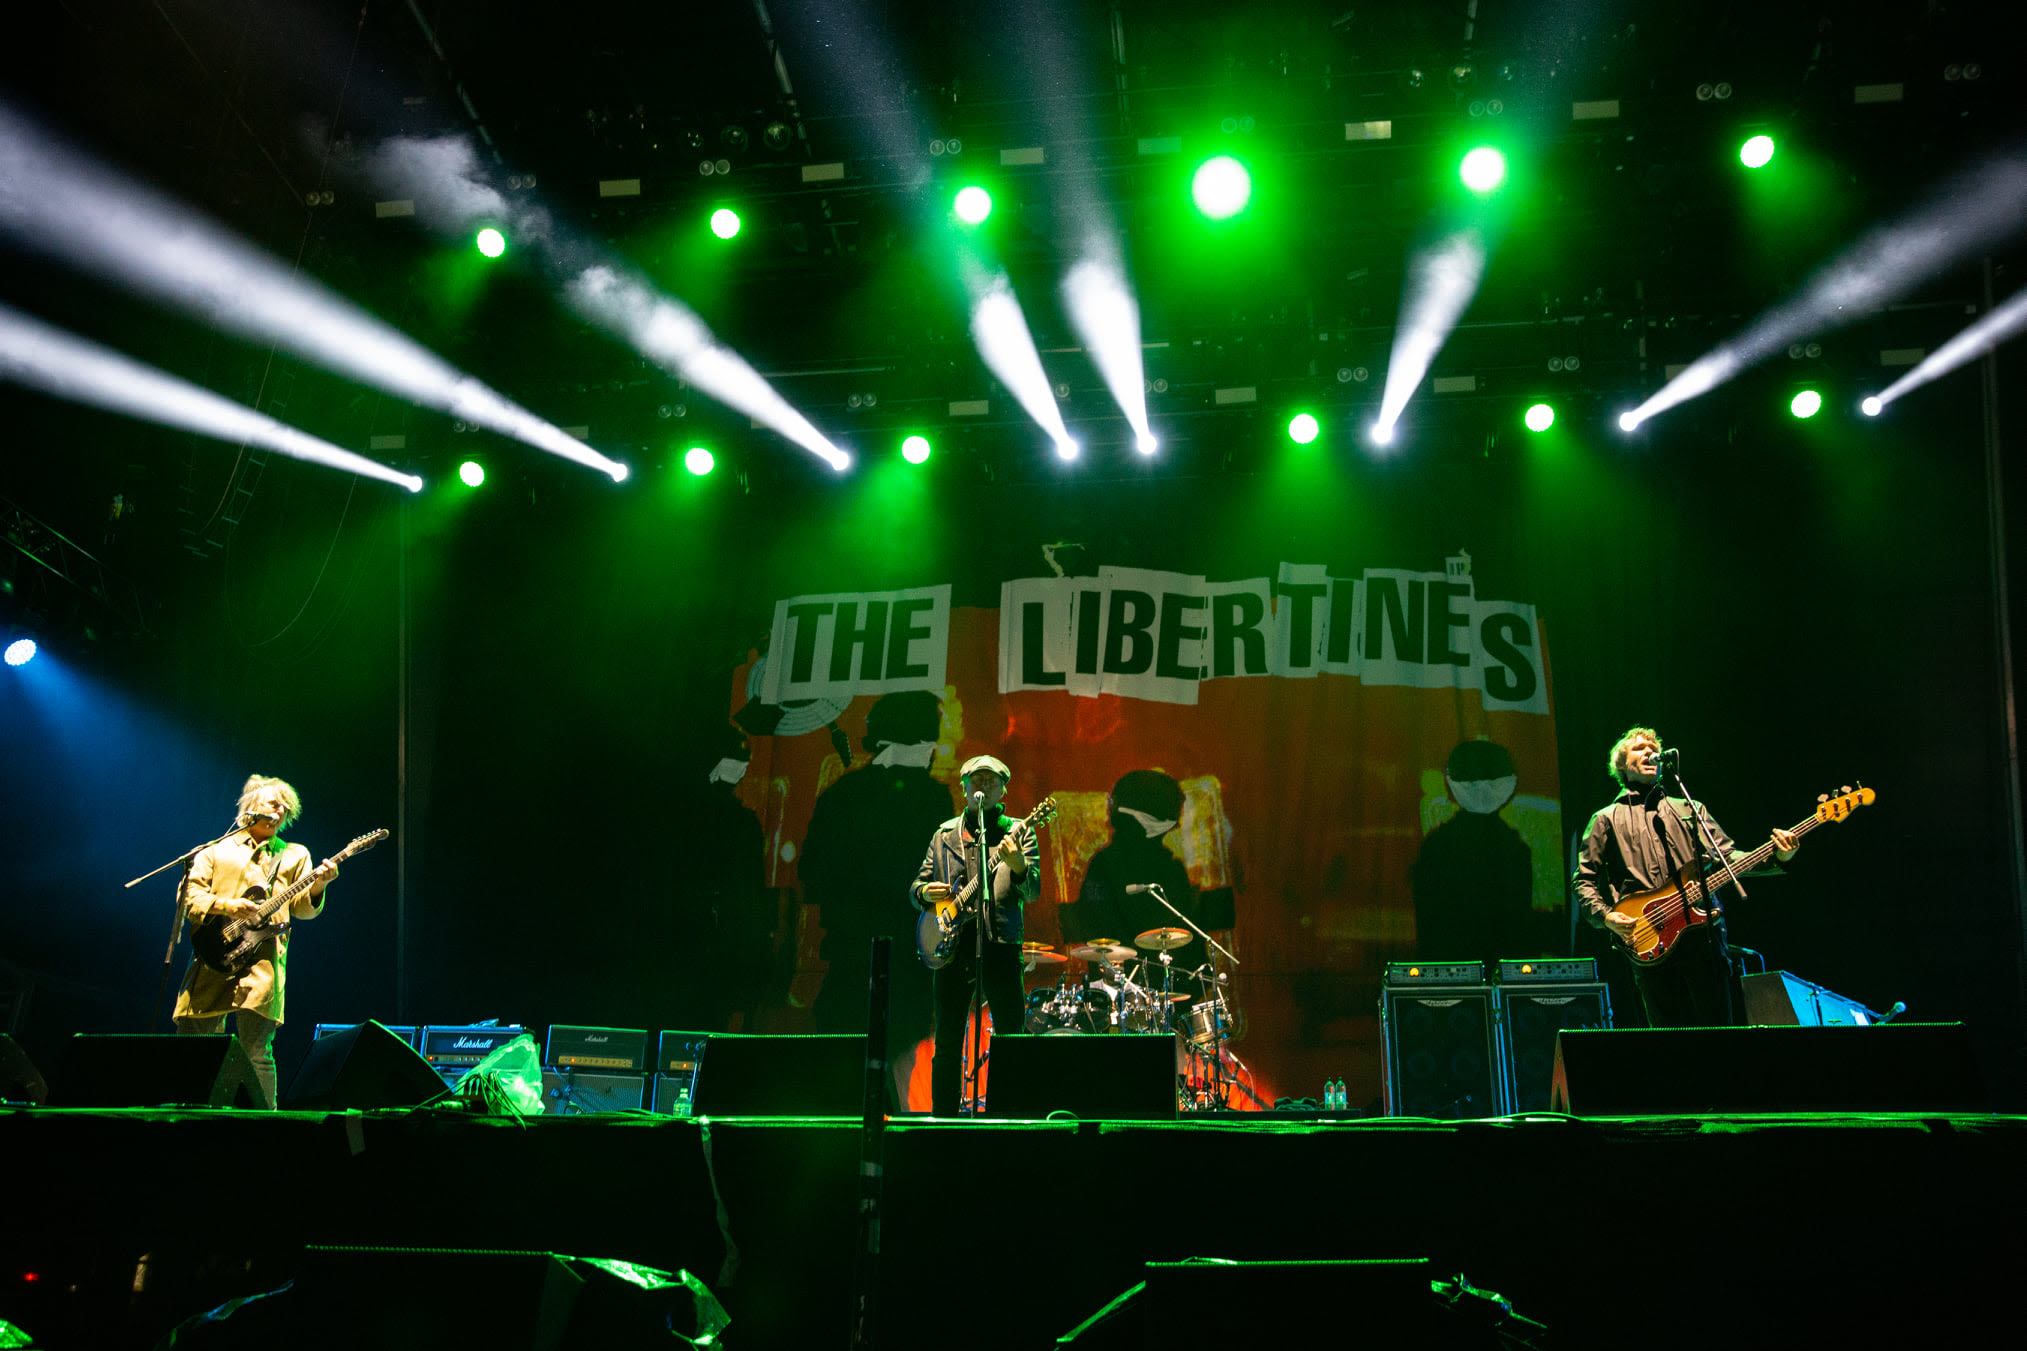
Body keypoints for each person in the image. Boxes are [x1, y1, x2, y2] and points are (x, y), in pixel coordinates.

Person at [1571, 728, 1797, 1028]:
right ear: (1622, 765)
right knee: (1669, 1038)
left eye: (1654, 748)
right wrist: (1607, 916)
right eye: (1640, 748)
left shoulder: (1689, 809)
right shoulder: (1605, 818)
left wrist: (1778, 856)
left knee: (1719, 1031)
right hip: (1647, 937)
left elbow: (1728, 858)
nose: (1650, 752)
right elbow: (1584, 880)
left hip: (1702, 940)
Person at [803, 692, 951, 1090]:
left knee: (840, 1086)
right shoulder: (934, 800)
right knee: (895, 1086)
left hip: (853, 965)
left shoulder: (842, 795)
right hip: (903, 970)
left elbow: (810, 877)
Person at [173, 774, 337, 1108]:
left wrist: (320, 885)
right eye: (274, 803)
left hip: (263, 962)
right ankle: (191, 1115)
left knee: (256, 1051)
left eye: (286, 807)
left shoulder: (294, 854)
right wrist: (229, 906)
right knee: (196, 1043)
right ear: (252, 807)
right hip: (213, 955)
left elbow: (303, 909)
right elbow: (189, 899)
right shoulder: (215, 851)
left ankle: (264, 1126)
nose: (281, 810)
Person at [910, 753, 1040, 1116]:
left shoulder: (1019, 831)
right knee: (949, 1040)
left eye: (991, 781)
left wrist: (1017, 866)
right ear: (964, 787)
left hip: (1000, 945)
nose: (983, 786)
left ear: (1003, 789)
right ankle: (944, 1119)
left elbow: (1033, 891)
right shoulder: (943, 835)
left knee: (1010, 1037)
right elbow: (915, 887)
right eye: (976, 780)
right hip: (951, 947)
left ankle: (1007, 1116)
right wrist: (926, 894)